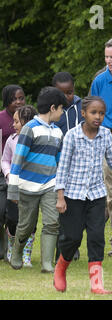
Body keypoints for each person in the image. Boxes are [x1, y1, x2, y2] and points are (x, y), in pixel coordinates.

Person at [54, 96, 112, 294]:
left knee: (96, 237)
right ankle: (61, 268)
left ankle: (97, 284)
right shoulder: (71, 135)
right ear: (84, 113)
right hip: (73, 195)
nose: (98, 117)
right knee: (72, 237)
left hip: (96, 195)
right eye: (94, 113)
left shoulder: (106, 135)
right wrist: (60, 197)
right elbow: (62, 168)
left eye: (102, 113)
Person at [7, 87, 67, 272]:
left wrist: (60, 189)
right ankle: (17, 252)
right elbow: (17, 160)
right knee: (26, 225)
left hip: (50, 184)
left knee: (52, 222)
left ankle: (47, 263)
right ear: (52, 108)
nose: (63, 112)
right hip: (27, 186)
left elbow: (58, 162)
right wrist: (13, 189)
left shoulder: (58, 132)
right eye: (61, 108)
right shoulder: (29, 129)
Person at [0, 85, 25, 262]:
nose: (18, 101)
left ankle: (12, 244)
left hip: (19, 174)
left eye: (21, 98)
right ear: (6, 100)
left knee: (13, 214)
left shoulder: (29, 120)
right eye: (14, 98)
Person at [52, 71, 83, 261]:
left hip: (79, 164)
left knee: (78, 208)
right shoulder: (52, 110)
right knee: (61, 209)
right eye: (62, 93)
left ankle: (74, 243)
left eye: (70, 92)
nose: (67, 97)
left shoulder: (82, 107)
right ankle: (63, 249)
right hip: (58, 165)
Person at [1, 105, 37, 267]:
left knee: (31, 222)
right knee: (13, 219)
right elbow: (4, 160)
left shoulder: (38, 141)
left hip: (32, 188)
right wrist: (8, 174)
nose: (13, 125)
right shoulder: (11, 140)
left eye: (17, 122)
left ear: (27, 123)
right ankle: (12, 248)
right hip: (14, 187)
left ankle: (26, 255)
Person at [90, 38, 112, 257]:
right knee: (109, 193)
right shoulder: (100, 80)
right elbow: (90, 109)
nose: (109, 61)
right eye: (106, 57)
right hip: (106, 138)